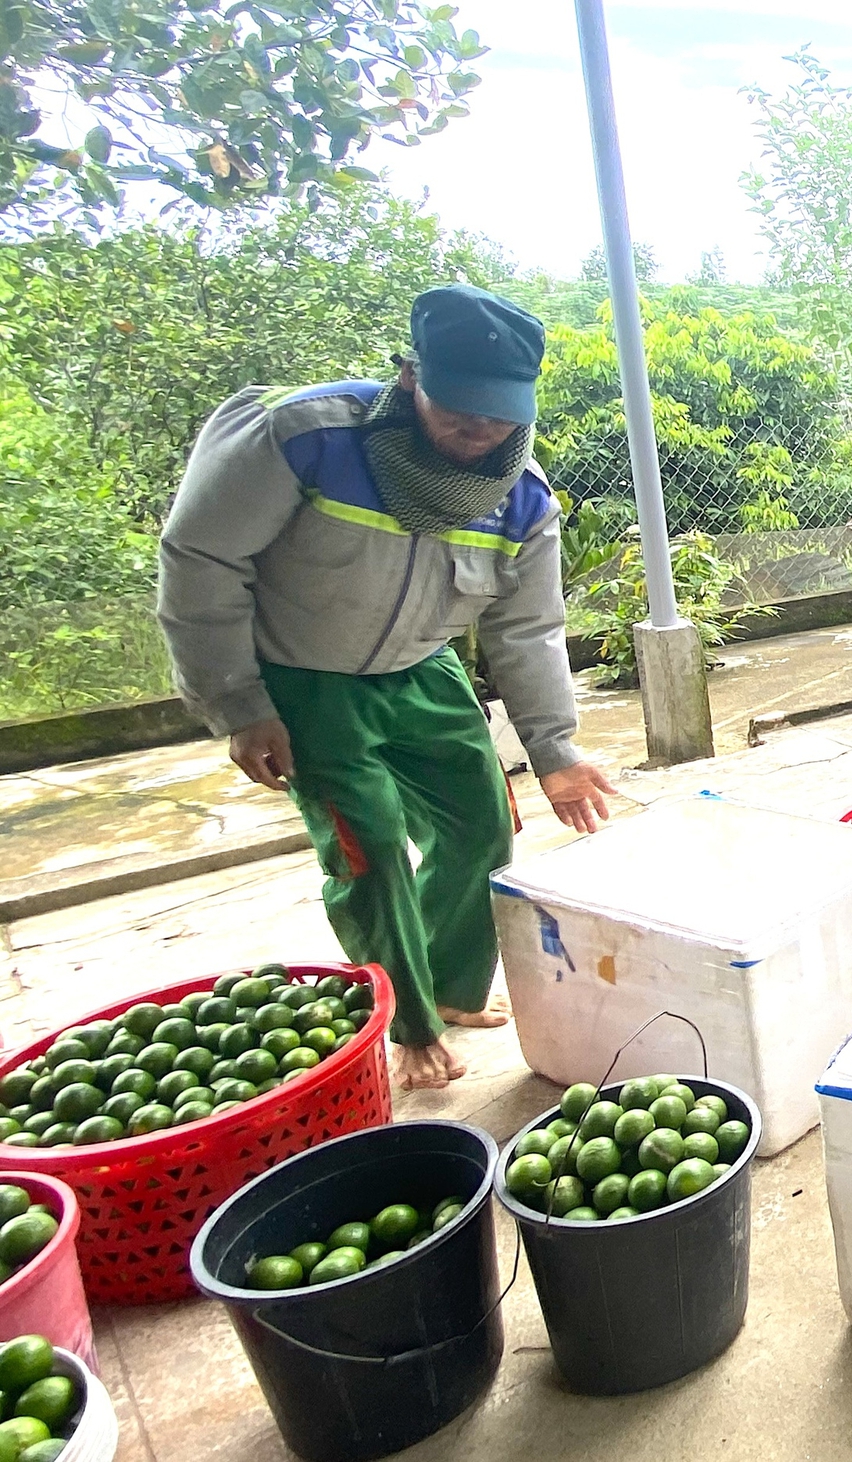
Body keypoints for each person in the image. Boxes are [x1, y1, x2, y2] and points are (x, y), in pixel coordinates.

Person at [157, 284, 618, 1090]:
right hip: (307, 676)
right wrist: (238, 703)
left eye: (499, 417)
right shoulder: (306, 439)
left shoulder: (522, 499)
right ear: (410, 380)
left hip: (422, 667)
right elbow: (202, 558)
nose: (479, 434)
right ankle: (405, 1024)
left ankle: (445, 986)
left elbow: (526, 629)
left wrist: (554, 749)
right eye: (458, 412)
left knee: (480, 825)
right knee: (367, 847)